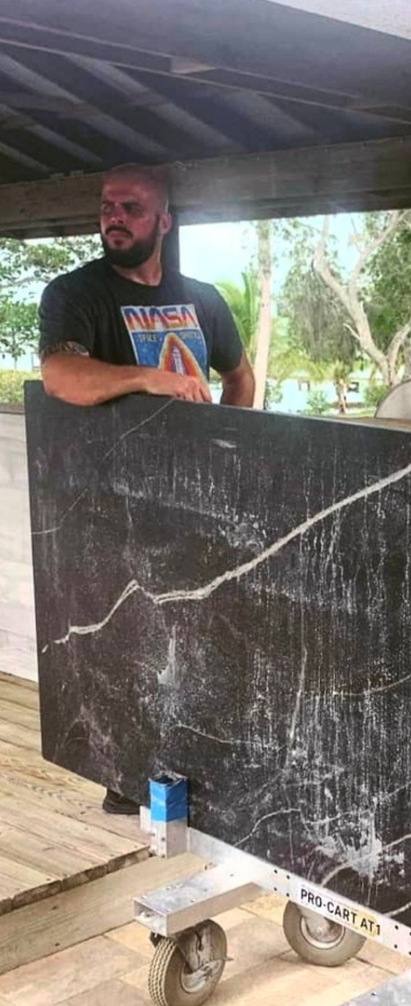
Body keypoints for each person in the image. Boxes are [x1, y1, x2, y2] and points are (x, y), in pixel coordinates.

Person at [38, 165, 257, 814]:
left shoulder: (204, 300)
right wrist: (150, 377)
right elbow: (60, 376)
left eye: (131, 207)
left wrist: (228, 446)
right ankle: (129, 776)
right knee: (125, 642)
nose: (114, 216)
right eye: (107, 205)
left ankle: (194, 765)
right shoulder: (75, 294)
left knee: (198, 631)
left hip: (193, 502)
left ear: (163, 221)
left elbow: (239, 377)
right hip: (111, 505)